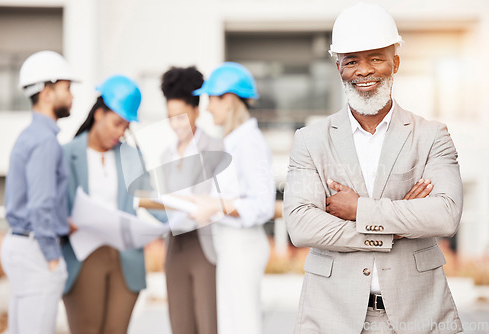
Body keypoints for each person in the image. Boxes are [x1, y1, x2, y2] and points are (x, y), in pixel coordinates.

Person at [283, 3, 463, 334]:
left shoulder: (431, 135)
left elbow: (445, 215)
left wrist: (358, 209)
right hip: (331, 316)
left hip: (419, 315)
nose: (364, 71)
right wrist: (393, 227)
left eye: (376, 58)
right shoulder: (310, 140)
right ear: (339, 67)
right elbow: (300, 225)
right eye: (352, 61)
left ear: (395, 62)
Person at [190, 62, 276, 334]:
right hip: (230, 247)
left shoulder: (250, 142)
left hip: (243, 248)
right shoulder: (232, 141)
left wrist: (217, 205)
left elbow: (262, 204)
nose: (207, 108)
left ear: (228, 101)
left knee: (242, 326)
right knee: (230, 325)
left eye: (211, 100)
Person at [61, 75, 148, 334]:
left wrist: (183, 215)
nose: (121, 132)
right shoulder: (67, 154)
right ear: (99, 114)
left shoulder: (131, 155)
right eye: (116, 123)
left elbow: (151, 197)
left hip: (124, 259)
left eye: (126, 126)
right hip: (84, 256)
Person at [0, 50, 76, 334]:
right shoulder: (45, 141)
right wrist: (52, 257)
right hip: (36, 250)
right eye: (67, 88)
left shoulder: (29, 135)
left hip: (21, 244)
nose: (72, 96)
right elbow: (41, 203)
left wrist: (62, 223)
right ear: (47, 91)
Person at [158, 66, 222, 334]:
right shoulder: (165, 155)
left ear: (196, 111)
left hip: (205, 243)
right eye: (170, 118)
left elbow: (219, 198)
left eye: (181, 118)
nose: (176, 125)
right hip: (175, 245)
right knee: (179, 323)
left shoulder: (217, 148)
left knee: (208, 323)